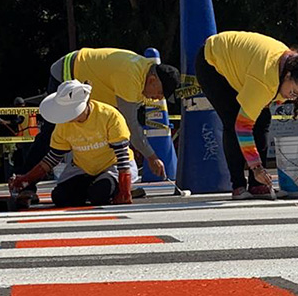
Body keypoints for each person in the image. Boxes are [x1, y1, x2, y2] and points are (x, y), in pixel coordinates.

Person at [16, 48, 180, 202]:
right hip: (69, 74)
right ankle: (25, 184)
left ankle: (110, 181)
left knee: (108, 130)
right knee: (51, 132)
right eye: (159, 93)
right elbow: (131, 125)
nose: (157, 99)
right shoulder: (130, 76)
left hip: (89, 83)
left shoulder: (142, 72)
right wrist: (152, 157)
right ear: (152, 80)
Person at [196, 31, 298, 199]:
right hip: (212, 62)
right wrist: (256, 167)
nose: (292, 98)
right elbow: (242, 127)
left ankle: (257, 185)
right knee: (233, 121)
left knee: (262, 120)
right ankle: (238, 185)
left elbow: (273, 100)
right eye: (293, 92)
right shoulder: (266, 80)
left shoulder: (291, 64)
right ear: (288, 76)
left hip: (242, 65)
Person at [9, 80, 136, 207]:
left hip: (112, 166)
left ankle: (106, 189)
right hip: (83, 168)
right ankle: (93, 189)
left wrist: (125, 190)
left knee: (100, 194)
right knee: (60, 197)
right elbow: (52, 158)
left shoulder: (109, 116)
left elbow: (122, 157)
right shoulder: (64, 123)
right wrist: (26, 179)